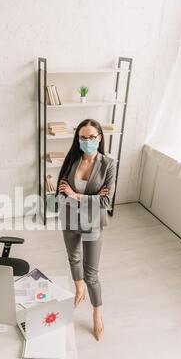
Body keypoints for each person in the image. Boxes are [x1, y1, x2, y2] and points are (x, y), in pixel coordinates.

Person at [55, 118, 117, 341]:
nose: (88, 140)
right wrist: (73, 196)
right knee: (73, 258)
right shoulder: (72, 159)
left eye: (92, 137)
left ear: (99, 138)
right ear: (78, 138)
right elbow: (61, 190)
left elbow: (105, 203)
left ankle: (97, 312)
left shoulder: (107, 164)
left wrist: (76, 195)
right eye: (83, 137)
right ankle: (78, 288)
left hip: (92, 223)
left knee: (91, 274)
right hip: (70, 218)